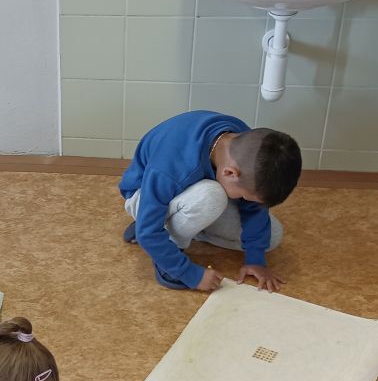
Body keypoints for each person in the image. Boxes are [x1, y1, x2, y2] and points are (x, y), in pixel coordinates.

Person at [120, 110, 301, 292]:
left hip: (193, 196)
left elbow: (254, 209)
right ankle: (164, 249)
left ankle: (174, 226)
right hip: (143, 196)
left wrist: (256, 260)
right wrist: (189, 273)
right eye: (244, 197)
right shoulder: (172, 163)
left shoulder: (248, 146)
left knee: (273, 236)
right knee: (212, 195)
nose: (246, 201)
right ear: (229, 173)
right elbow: (148, 232)